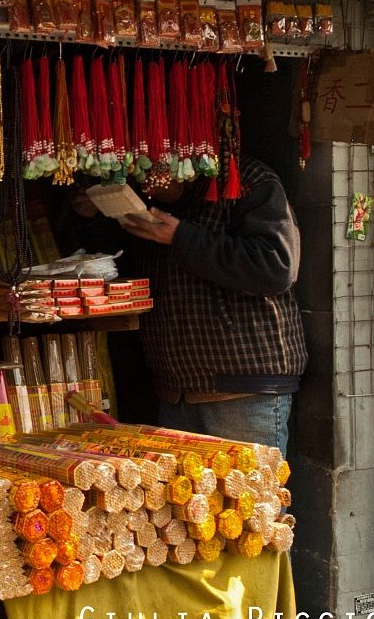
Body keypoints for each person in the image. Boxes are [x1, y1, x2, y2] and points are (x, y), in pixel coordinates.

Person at [71, 157, 307, 455]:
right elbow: (121, 270)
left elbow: (275, 266)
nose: (147, 179)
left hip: (242, 391)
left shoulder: (247, 179)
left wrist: (180, 236)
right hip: (176, 390)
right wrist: (93, 218)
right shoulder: (148, 202)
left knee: (248, 499)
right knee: (186, 500)